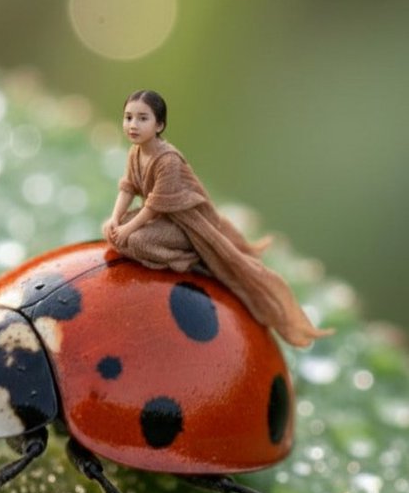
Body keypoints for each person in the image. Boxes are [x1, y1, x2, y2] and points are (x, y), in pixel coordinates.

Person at [102, 90, 332, 348]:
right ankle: (147, 242)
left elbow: (154, 206)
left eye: (142, 118)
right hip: (160, 221)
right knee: (110, 232)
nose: (133, 125)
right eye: (128, 117)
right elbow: (128, 188)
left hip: (188, 228)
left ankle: (193, 258)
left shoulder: (168, 160)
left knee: (137, 242)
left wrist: (127, 228)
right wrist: (115, 219)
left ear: (159, 125)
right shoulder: (135, 153)